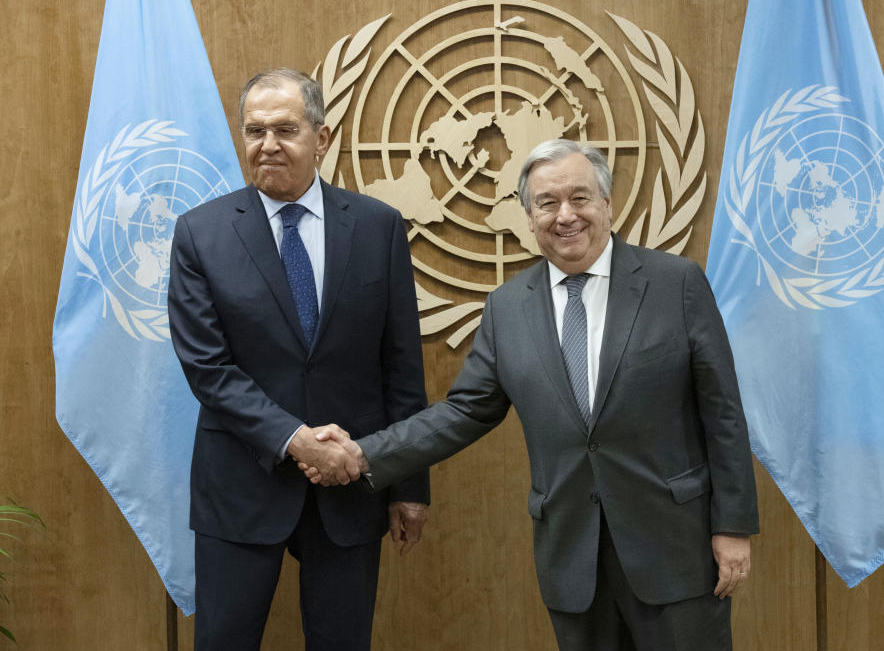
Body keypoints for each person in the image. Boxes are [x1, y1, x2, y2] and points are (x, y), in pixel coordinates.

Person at [303, 139, 760, 650]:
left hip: (676, 551)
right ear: (528, 216)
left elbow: (723, 412)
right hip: (573, 557)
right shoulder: (507, 308)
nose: (565, 216)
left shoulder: (675, 283)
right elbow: (462, 413)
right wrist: (363, 454)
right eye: (547, 203)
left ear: (608, 204)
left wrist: (734, 527)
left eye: (580, 198)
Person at [167, 68, 429, 651]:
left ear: (324, 137)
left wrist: (409, 484)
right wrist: (295, 439)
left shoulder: (377, 227)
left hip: (350, 487)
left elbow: (402, 366)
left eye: (286, 129)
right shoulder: (199, 234)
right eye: (254, 130)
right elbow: (207, 369)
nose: (268, 145)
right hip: (240, 485)